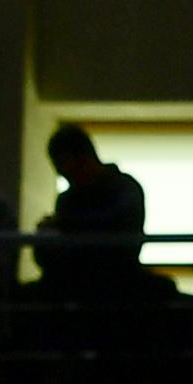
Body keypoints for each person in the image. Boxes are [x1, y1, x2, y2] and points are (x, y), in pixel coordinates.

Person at [33, 123, 150, 295]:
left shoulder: (124, 188)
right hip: (75, 283)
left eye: (65, 165)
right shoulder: (68, 199)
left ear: (83, 158)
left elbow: (115, 223)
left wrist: (64, 225)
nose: (62, 174)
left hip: (120, 279)